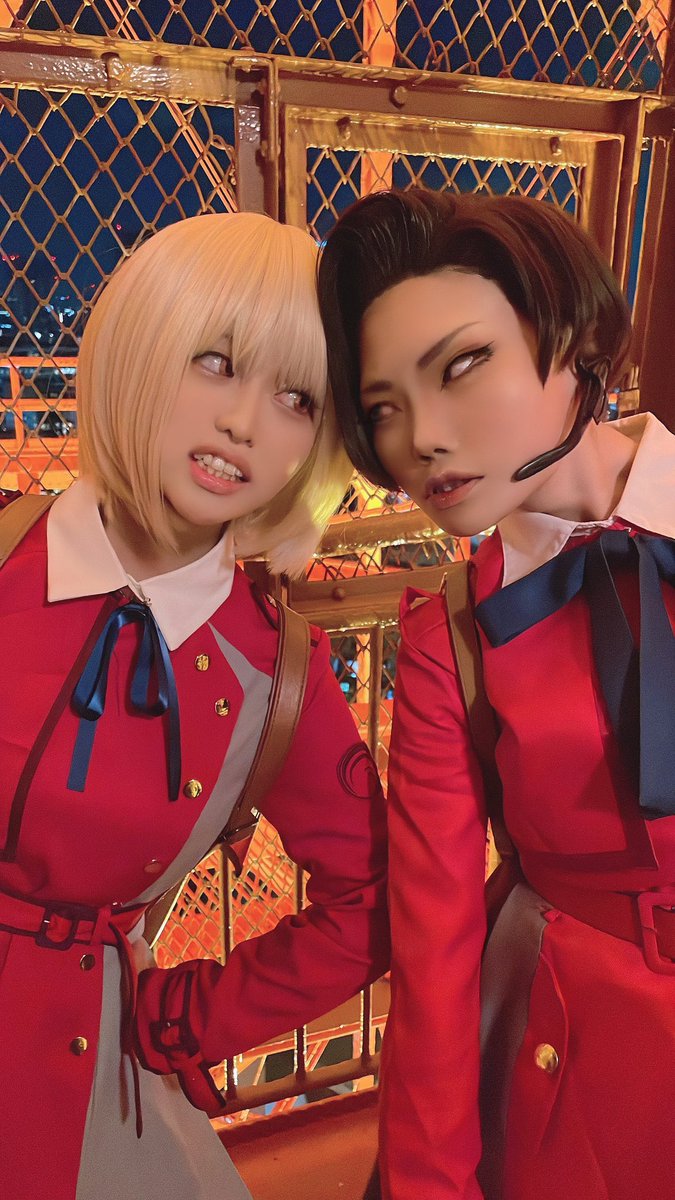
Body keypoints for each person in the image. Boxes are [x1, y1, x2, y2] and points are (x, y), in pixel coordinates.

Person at [0, 211, 389, 1200]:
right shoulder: (8, 555)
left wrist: (184, 1019)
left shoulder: (272, 667)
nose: (245, 423)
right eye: (215, 362)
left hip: (83, 1084)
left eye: (297, 397)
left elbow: (368, 899)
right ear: (141, 346)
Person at [317, 186, 675, 1200]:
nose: (421, 438)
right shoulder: (453, 636)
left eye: (462, 364)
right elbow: (432, 945)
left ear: (571, 334)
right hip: (580, 1069)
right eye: (383, 409)